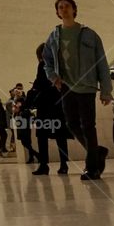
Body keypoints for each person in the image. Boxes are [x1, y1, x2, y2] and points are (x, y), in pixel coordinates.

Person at [42, 0, 112, 181]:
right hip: (66, 86)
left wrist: (106, 90)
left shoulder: (89, 34)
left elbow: (102, 62)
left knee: (88, 126)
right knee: (72, 124)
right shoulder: (54, 36)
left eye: (67, 6)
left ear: (74, 9)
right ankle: (97, 152)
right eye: (60, 7)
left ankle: (93, 168)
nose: (64, 9)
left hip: (87, 85)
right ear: (57, 12)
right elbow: (47, 61)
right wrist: (54, 78)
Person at [29, 43, 69, 176]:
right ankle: (64, 165)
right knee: (60, 136)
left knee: (42, 136)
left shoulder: (43, 65)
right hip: (58, 105)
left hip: (45, 105)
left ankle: (44, 164)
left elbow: (39, 84)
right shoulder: (59, 65)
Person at [14, 97, 39, 164]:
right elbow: (15, 118)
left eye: (18, 103)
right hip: (20, 128)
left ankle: (37, 155)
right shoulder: (19, 110)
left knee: (26, 143)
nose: (17, 104)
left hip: (25, 129)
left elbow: (31, 117)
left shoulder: (25, 110)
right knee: (26, 144)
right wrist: (16, 112)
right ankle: (32, 157)